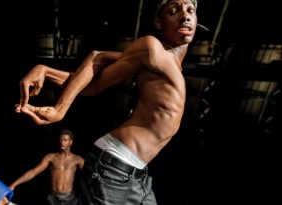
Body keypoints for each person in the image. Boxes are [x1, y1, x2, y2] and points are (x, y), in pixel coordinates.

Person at [15, 0, 201, 204]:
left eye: (190, 10)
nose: (185, 15)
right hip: (115, 166)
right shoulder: (151, 47)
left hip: (137, 173)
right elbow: (97, 62)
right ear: (158, 22)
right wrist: (60, 107)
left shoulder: (164, 61)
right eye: (174, 11)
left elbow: (95, 69)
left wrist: (47, 71)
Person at [9, 129, 85, 205]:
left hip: (69, 199)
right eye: (61, 140)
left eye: (65, 140)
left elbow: (88, 178)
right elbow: (33, 172)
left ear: (70, 142)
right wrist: (14, 184)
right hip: (53, 198)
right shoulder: (51, 157)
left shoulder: (78, 160)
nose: (62, 142)